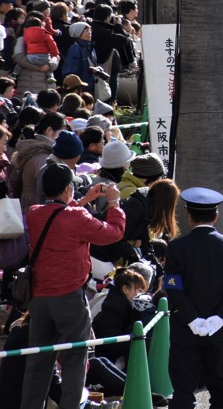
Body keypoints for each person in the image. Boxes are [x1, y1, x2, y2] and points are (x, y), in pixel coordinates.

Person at [21, 163, 125, 409]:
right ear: (69, 189)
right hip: (69, 298)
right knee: (75, 360)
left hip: (39, 298)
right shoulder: (76, 217)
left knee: (38, 361)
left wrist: (86, 198)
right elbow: (113, 233)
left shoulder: (34, 213)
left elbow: (60, 217)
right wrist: (114, 204)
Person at [164, 187, 223, 409]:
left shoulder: (177, 248)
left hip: (185, 328)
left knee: (183, 390)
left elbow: (173, 287)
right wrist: (220, 318)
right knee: (221, 390)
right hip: (218, 329)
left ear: (189, 217)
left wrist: (192, 319)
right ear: (216, 216)